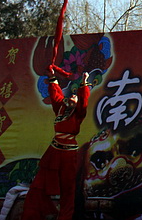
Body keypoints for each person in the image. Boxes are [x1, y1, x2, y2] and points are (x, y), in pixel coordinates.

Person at [22, 67, 92, 220]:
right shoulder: (60, 109)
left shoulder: (78, 114)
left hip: (68, 155)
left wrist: (84, 83)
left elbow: (84, 102)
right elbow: (55, 95)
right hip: (54, 152)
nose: (73, 96)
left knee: (68, 190)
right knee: (38, 185)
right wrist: (52, 77)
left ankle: (64, 217)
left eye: (76, 96)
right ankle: (34, 214)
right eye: (72, 95)